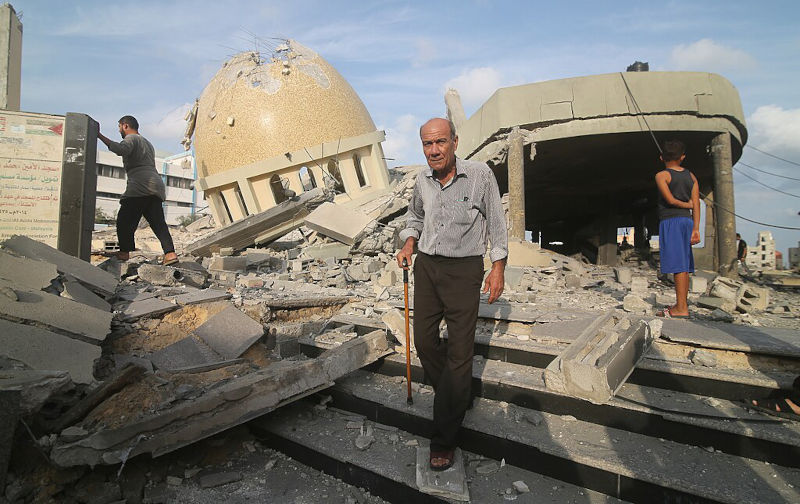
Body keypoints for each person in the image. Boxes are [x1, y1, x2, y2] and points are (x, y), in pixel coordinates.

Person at [396, 118, 508, 471]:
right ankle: (458, 393)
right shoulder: (421, 179)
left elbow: (496, 222)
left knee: (460, 353)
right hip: (427, 266)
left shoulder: (480, 176)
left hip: (464, 269)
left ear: (455, 142)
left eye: (440, 142)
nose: (434, 150)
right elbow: (415, 216)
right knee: (425, 341)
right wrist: (409, 242)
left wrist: (498, 266)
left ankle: (443, 440)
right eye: (427, 144)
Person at [97, 116, 178, 265]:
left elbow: (120, 149)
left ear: (125, 126)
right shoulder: (147, 143)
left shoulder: (131, 139)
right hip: (156, 184)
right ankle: (170, 253)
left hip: (141, 182)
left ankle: (124, 252)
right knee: (158, 222)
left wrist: (99, 135)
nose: (119, 130)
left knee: (124, 219)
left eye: (119, 127)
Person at [654, 140, 699, 318]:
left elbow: (671, 200)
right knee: (684, 264)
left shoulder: (661, 176)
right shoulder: (692, 176)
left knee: (678, 264)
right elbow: (696, 204)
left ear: (661, 157)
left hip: (671, 221)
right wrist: (696, 227)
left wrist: (684, 204)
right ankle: (681, 304)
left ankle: (681, 307)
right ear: (682, 157)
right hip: (687, 221)